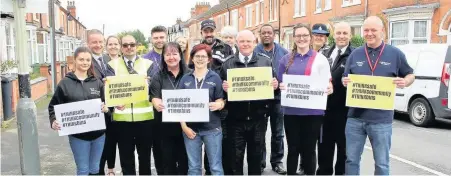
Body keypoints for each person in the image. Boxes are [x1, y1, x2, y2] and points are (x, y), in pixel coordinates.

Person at [342, 16, 415, 175]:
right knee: (351, 160)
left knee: (382, 163)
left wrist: (405, 81)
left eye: (373, 30)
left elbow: (410, 74)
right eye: (366, 30)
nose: (369, 33)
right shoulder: (355, 54)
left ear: (382, 31)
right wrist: (345, 81)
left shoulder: (395, 53)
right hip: (355, 118)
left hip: (381, 120)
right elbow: (345, 78)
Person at [220, 30, 279, 175]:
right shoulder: (227, 64)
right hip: (235, 120)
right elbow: (220, 95)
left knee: (256, 158)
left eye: (248, 41)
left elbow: (273, 90)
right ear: (236, 43)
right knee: (235, 159)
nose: (245, 44)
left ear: (254, 42)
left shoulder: (265, 61)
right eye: (242, 41)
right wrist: (224, 88)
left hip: (258, 119)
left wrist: (275, 86)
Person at [277, 24, 333, 175]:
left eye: (305, 35)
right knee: (293, 149)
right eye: (298, 36)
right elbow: (279, 82)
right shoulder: (285, 60)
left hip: (313, 112)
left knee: (309, 150)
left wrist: (329, 88)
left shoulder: (320, 59)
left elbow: (328, 82)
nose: (301, 39)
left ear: (310, 37)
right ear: (294, 38)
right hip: (291, 111)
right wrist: (279, 85)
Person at [48, 46, 109, 175]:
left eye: (88, 60)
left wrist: (106, 108)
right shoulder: (65, 83)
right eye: (81, 59)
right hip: (78, 136)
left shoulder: (97, 82)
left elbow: (106, 103)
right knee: (83, 170)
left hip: (99, 135)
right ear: (74, 61)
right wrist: (54, 121)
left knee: (95, 169)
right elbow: (53, 106)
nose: (85, 62)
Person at [107, 35, 155, 175]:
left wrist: (147, 83)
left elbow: (154, 87)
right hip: (122, 120)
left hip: (145, 119)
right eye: (125, 45)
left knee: (145, 158)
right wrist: (115, 102)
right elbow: (109, 91)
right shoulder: (112, 65)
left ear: (137, 46)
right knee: (126, 159)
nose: (129, 48)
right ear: (121, 47)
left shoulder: (148, 64)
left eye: (132, 45)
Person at [178, 44, 225, 175]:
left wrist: (219, 104)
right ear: (192, 58)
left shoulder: (215, 77)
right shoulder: (185, 79)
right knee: (193, 168)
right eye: (197, 56)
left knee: (215, 167)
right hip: (191, 130)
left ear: (209, 59)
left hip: (212, 128)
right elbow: (180, 105)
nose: (200, 59)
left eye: (203, 56)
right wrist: (184, 127)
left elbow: (221, 99)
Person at [316, 22, 354, 176]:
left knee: (343, 152)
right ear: (334, 35)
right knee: (324, 151)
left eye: (345, 33)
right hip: (324, 112)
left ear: (350, 35)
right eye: (338, 33)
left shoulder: (355, 55)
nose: (341, 36)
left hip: (345, 112)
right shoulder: (324, 53)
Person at [200, 19, 234, 175]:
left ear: (215, 31)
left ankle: (224, 170)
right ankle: (209, 170)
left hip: (223, 99)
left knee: (225, 138)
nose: (209, 34)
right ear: (202, 32)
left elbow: (233, 70)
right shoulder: (197, 49)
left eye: (211, 30)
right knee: (208, 138)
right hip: (204, 101)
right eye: (206, 31)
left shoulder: (226, 48)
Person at [149, 42, 189, 175]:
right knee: (167, 163)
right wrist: (156, 102)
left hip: (187, 126)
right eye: (167, 54)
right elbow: (154, 96)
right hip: (164, 127)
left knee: (185, 162)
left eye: (174, 54)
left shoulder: (190, 74)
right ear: (163, 57)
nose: (171, 57)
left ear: (180, 55)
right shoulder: (158, 76)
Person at [254, 24, 288, 175]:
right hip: (260, 98)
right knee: (259, 131)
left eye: (269, 32)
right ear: (259, 35)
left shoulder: (284, 53)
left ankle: (277, 161)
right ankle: (260, 162)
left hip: (278, 98)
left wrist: (281, 83)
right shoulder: (254, 51)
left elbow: (289, 74)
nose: (266, 35)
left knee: (278, 132)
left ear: (274, 35)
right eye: (263, 33)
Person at [87, 30, 116, 175]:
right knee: (98, 150)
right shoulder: (86, 61)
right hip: (95, 111)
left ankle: (109, 169)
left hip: (110, 110)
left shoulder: (107, 59)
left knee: (109, 144)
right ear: (88, 44)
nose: (98, 45)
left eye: (100, 42)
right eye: (94, 42)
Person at [142, 25, 166, 174]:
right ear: (151, 39)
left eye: (161, 37)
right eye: (156, 37)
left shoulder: (173, 54)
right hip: (152, 107)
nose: (159, 40)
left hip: (172, 106)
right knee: (157, 145)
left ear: (166, 37)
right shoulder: (144, 60)